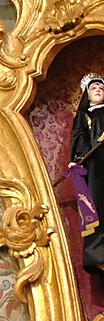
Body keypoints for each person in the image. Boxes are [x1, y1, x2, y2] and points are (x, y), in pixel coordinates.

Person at [70, 73, 104, 273]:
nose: (98, 90)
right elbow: (80, 139)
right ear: (87, 95)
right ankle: (98, 253)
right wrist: (77, 159)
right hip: (96, 166)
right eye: (94, 88)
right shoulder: (84, 117)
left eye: (101, 88)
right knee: (98, 204)